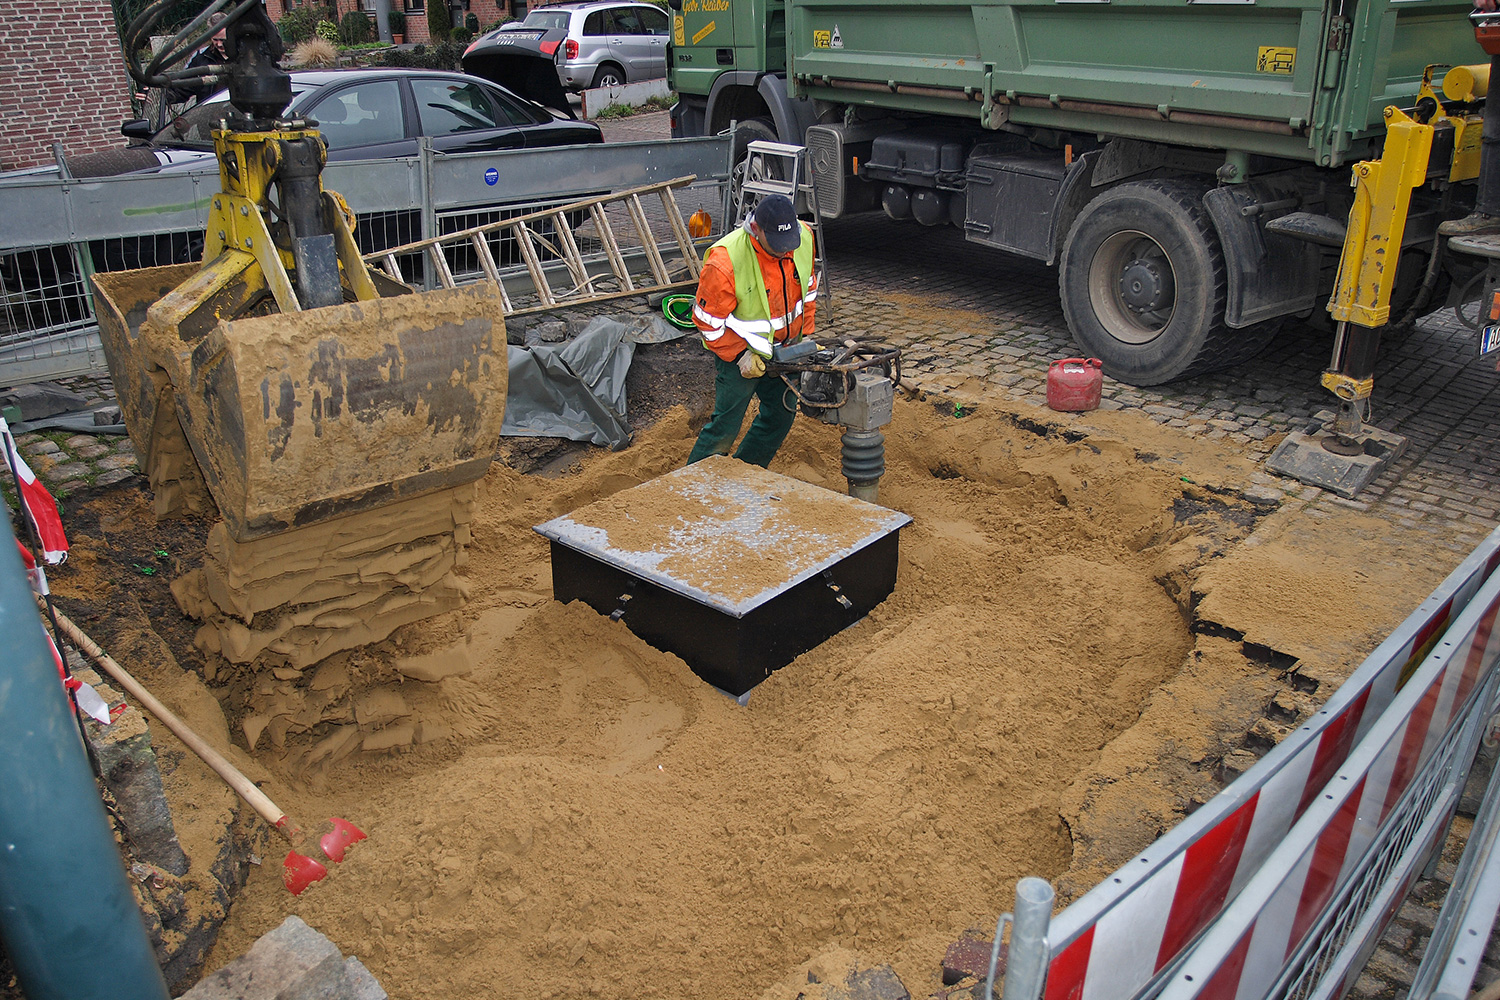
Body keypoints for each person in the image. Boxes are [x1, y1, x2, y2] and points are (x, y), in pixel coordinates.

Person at [685, 194, 819, 468]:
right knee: (725, 425)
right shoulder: (725, 262)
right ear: (756, 230)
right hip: (740, 356)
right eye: (778, 246)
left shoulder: (803, 238)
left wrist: (803, 338)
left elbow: (808, 290)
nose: (785, 252)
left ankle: (746, 470)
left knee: (781, 415)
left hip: (785, 350)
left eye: (788, 245)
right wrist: (739, 355)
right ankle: (693, 487)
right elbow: (706, 323)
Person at [165, 12, 229, 105]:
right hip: (210, 114)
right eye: (215, 40)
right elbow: (182, 89)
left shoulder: (245, 56)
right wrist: (158, 95)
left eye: (223, 40)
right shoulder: (200, 58)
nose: (219, 44)